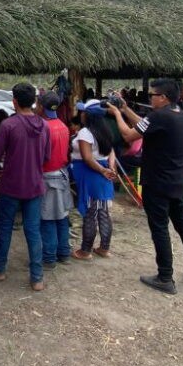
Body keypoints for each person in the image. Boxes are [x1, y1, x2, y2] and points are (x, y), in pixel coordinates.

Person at [107, 79, 183, 294]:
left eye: (152, 95)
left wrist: (116, 114)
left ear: (163, 97)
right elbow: (146, 125)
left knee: (160, 228)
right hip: (177, 181)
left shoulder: (159, 116)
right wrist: (125, 109)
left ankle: (165, 276)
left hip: (157, 182)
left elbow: (128, 134)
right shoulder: (180, 115)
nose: (149, 98)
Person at [0, 83, 51, 292]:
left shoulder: (8, 125)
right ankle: (37, 278)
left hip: (11, 185)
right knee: (33, 230)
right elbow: (46, 157)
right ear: (33, 101)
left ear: (14, 101)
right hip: (35, 185)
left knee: (5, 227)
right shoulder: (44, 126)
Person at [70, 99, 118, 260]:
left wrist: (103, 170)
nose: (81, 114)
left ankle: (85, 250)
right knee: (103, 211)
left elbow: (87, 158)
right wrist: (110, 167)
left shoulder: (85, 133)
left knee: (90, 213)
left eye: (83, 112)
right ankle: (104, 248)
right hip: (103, 173)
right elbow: (111, 151)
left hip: (92, 175)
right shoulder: (106, 129)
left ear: (88, 115)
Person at [37, 92, 73, 267]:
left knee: (48, 218)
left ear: (41, 107)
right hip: (62, 174)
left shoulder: (43, 127)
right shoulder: (63, 126)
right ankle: (64, 252)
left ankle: (49, 257)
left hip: (48, 176)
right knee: (62, 216)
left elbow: (41, 156)